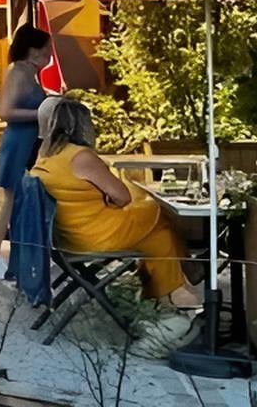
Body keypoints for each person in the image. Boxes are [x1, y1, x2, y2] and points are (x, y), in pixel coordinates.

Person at [31, 99, 199, 352]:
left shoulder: (47, 155)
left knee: (158, 231)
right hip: (95, 236)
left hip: (67, 236)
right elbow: (122, 196)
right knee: (158, 218)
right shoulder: (81, 156)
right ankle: (173, 294)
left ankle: (170, 293)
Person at [0, 24, 53, 279]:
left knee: (26, 201)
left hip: (31, 142)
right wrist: (44, 112)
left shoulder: (31, 73)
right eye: (46, 49)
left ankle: (25, 255)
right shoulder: (18, 71)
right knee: (10, 202)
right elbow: (6, 112)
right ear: (33, 50)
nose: (50, 54)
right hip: (17, 142)